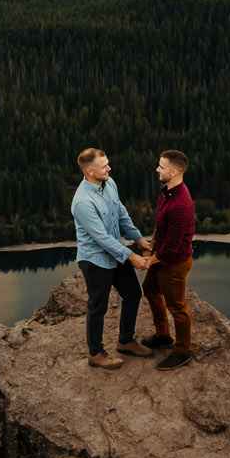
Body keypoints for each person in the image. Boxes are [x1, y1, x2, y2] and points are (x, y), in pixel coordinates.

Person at [70, 147, 153, 369]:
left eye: (108, 163)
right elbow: (102, 239)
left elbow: (121, 212)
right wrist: (132, 257)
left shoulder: (109, 182)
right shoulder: (82, 202)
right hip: (96, 259)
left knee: (133, 294)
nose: (109, 167)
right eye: (104, 165)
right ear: (89, 170)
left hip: (116, 252)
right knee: (98, 306)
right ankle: (95, 353)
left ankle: (125, 341)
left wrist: (138, 239)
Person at [142, 149, 197, 371]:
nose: (157, 169)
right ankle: (163, 335)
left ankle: (182, 351)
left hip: (174, 264)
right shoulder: (167, 191)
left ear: (174, 171)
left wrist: (149, 261)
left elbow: (173, 248)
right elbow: (159, 225)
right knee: (150, 289)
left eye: (161, 166)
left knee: (178, 307)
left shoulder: (180, 205)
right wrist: (151, 246)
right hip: (161, 257)